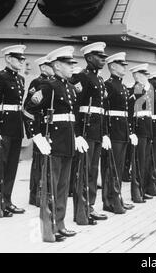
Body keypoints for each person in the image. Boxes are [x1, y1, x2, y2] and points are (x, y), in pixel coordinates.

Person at [24, 46, 78, 241]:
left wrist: (77, 137)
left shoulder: (70, 87)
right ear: (56, 65)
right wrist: (37, 136)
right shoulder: (48, 86)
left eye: (72, 63)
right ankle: (48, 229)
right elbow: (29, 110)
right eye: (68, 63)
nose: (72, 67)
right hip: (53, 142)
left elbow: (73, 117)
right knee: (51, 187)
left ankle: (60, 223)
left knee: (63, 187)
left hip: (67, 143)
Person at [0, 45, 27, 217]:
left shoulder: (20, 79)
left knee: (11, 168)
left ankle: (7, 201)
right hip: (2, 127)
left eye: (22, 59)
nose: (22, 61)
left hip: (16, 127)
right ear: (9, 59)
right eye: (18, 58)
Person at [71, 42, 110, 221]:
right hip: (85, 132)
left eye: (103, 56)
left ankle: (90, 206)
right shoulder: (82, 77)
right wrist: (77, 134)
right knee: (83, 171)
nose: (103, 59)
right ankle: (81, 209)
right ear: (88, 58)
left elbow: (101, 110)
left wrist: (104, 133)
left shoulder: (100, 80)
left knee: (93, 171)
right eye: (99, 56)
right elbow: (75, 107)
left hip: (96, 131)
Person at [102, 52, 136, 213]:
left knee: (119, 167)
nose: (124, 67)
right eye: (121, 65)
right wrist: (105, 133)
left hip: (122, 130)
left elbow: (126, 112)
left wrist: (129, 131)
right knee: (111, 167)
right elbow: (104, 110)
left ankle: (117, 197)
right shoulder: (108, 85)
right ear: (113, 66)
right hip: (113, 130)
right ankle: (109, 201)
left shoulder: (122, 86)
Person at [25, 55, 55, 207]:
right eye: (50, 65)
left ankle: (45, 193)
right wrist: (34, 133)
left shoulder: (53, 83)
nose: (53, 67)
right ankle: (35, 195)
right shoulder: (37, 82)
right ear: (43, 67)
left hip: (51, 127)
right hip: (40, 128)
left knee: (47, 162)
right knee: (38, 163)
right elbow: (28, 108)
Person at [128, 63, 156, 201]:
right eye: (143, 75)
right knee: (139, 162)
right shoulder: (134, 90)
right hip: (139, 129)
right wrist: (131, 131)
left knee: (145, 161)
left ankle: (144, 189)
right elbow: (130, 113)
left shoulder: (146, 90)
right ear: (136, 76)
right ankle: (137, 192)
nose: (146, 77)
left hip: (146, 128)